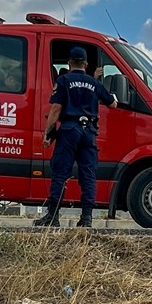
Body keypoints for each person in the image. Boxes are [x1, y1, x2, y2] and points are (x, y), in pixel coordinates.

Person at [34, 46, 118, 228]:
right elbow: (112, 104)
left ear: (69, 63)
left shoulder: (64, 80)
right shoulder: (94, 84)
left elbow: (56, 109)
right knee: (88, 175)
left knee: (60, 174)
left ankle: (53, 217)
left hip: (69, 130)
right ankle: (86, 218)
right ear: (86, 64)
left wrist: (48, 134)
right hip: (89, 133)